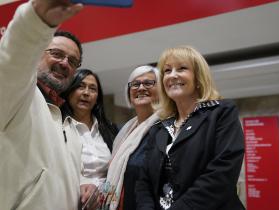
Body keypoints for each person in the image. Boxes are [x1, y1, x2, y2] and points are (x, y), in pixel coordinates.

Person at [136, 46, 245, 210]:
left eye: (182, 68)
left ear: (198, 77)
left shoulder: (221, 112)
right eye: (167, 70)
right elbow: (144, 179)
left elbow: (221, 175)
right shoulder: (158, 126)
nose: (172, 75)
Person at [0, 1, 83, 210]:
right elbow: (12, 63)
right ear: (38, 52)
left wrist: (83, 184)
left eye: (73, 61)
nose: (64, 63)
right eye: (56, 53)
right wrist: (36, 21)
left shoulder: (70, 124)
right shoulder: (17, 95)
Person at [96, 65, 160, 210]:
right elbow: (112, 171)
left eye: (149, 83)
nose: (141, 88)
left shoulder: (166, 127)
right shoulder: (123, 131)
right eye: (135, 84)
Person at [60, 69, 118, 205]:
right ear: (69, 91)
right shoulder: (58, 126)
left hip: (107, 204)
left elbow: (112, 175)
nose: (86, 93)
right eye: (80, 86)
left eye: (92, 89)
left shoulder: (109, 129)